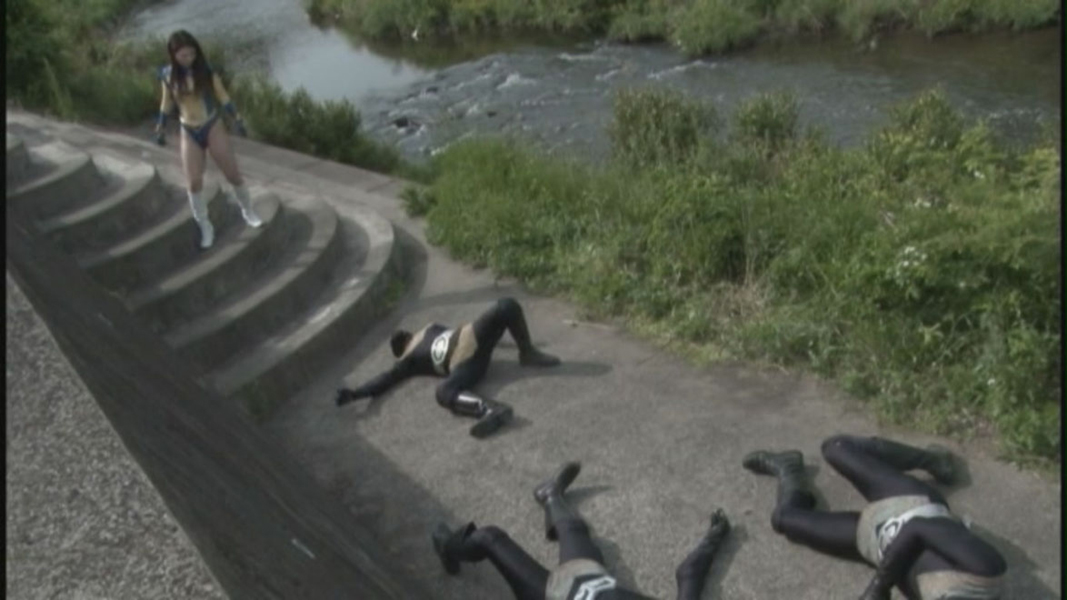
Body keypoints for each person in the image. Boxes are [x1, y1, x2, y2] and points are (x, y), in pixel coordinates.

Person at [742, 434, 1006, 599]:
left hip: (874, 540)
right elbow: (918, 527)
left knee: (783, 520)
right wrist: (880, 585)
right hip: (910, 504)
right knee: (835, 447)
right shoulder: (986, 570)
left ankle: (788, 469)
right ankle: (932, 460)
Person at [432, 461, 731, 600]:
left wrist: (717, 535)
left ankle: (446, 546)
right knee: (574, 530)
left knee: (488, 537)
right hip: (591, 578)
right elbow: (689, 573)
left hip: (551, 594)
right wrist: (715, 535)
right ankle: (550, 494)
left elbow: (689, 574)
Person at [335, 297, 560, 438]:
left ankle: (527, 352)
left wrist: (501, 338)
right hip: (463, 362)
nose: (400, 335)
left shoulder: (429, 328)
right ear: (401, 348)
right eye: (398, 340)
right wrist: (357, 393)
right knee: (443, 391)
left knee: (506, 306)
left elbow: (456, 331)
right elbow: (385, 378)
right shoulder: (406, 360)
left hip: (470, 335)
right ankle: (490, 409)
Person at [154, 29, 261, 250]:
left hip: (211, 124)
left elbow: (223, 96)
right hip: (188, 128)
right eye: (183, 55)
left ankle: (248, 210)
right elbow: (167, 102)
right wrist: (161, 126)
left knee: (232, 173)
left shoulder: (206, 71)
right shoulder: (168, 75)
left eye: (192, 54)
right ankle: (204, 224)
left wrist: (237, 118)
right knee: (193, 182)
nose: (188, 59)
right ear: (174, 55)